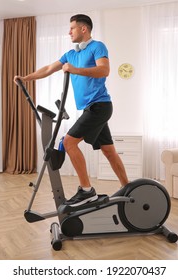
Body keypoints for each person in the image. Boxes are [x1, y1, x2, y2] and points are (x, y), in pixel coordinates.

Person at [14, 14, 129, 207]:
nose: (69, 32)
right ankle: (128, 187)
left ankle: (87, 191)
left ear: (83, 29)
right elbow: (49, 68)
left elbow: (104, 70)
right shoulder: (71, 54)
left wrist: (75, 70)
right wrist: (26, 78)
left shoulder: (97, 46)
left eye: (72, 28)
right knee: (109, 151)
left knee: (68, 142)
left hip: (100, 106)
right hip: (90, 108)